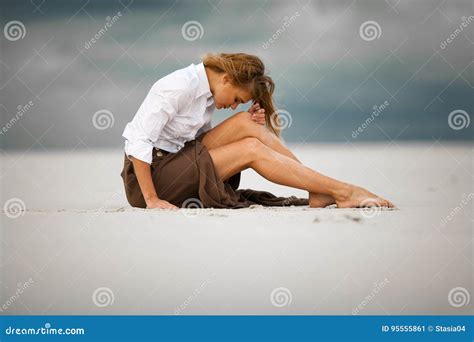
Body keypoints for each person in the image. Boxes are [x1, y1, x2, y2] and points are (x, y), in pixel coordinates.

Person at [121, 52, 395, 210]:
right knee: (250, 149)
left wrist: (245, 123)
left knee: (245, 124)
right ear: (226, 78)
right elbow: (137, 140)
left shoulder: (206, 94)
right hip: (150, 179)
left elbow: (194, 145)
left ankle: (317, 190)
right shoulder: (178, 86)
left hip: (175, 161)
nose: (233, 106)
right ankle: (343, 192)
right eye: (238, 98)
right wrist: (152, 199)